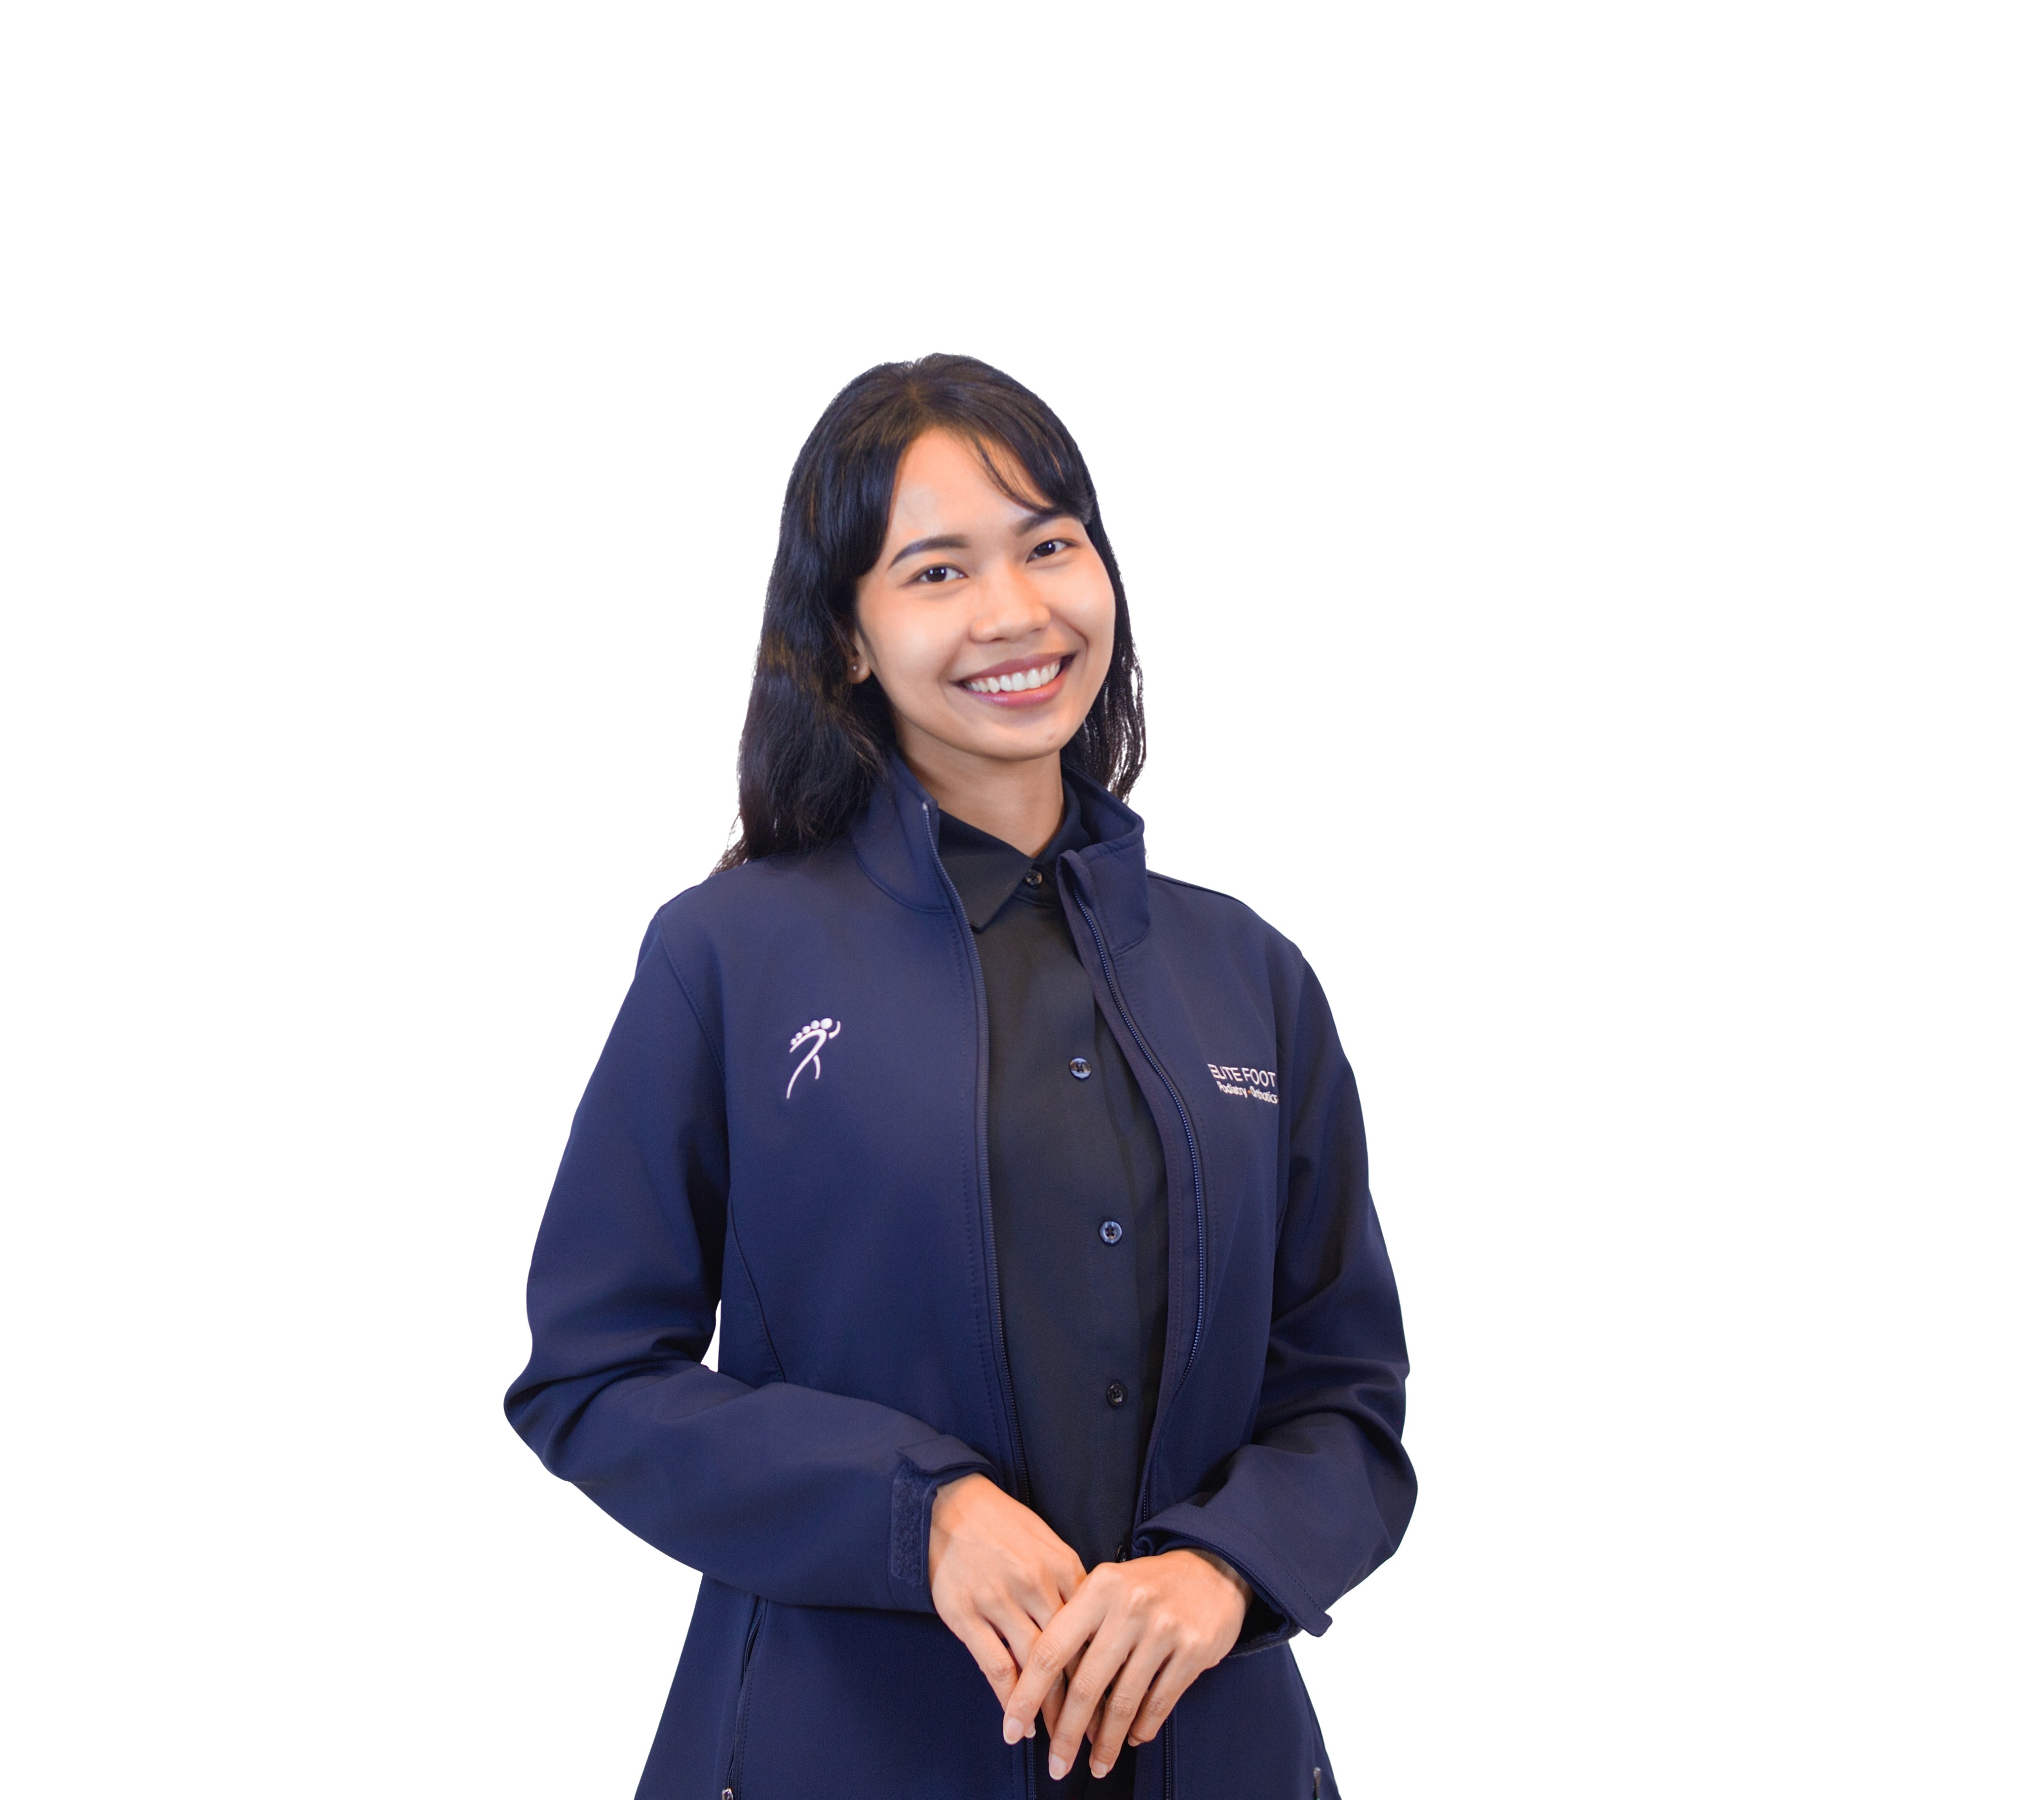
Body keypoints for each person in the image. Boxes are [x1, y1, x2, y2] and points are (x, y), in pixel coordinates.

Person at [506, 353, 1416, 1798]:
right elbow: (593, 1375)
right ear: (847, 639)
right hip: (834, 1752)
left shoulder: (1249, 974)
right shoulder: (729, 958)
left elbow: (1347, 1403)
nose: (1014, 613)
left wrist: (1225, 1571)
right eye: (937, 571)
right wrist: (916, 1514)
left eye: (1050, 546)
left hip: (1215, 1752)